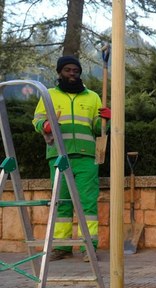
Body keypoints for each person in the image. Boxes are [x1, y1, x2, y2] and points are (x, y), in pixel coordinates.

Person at [32, 55, 111, 262]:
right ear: (60, 73)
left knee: (87, 203)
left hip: (86, 157)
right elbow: (37, 120)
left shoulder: (93, 97)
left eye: (75, 70)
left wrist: (106, 120)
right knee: (62, 202)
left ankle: (89, 247)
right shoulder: (48, 95)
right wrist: (45, 126)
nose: (72, 74)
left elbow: (98, 129)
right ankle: (62, 247)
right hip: (59, 155)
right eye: (68, 70)